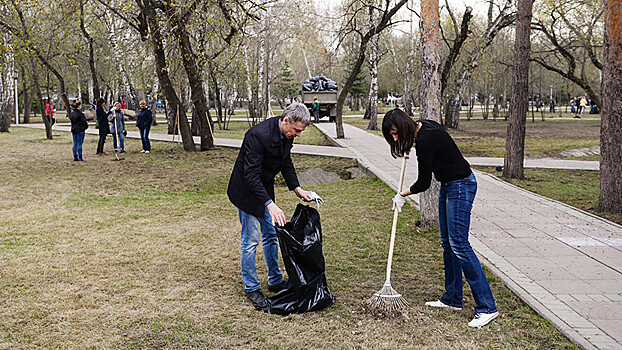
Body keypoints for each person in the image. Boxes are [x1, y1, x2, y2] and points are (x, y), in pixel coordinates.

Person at [382, 108, 499, 328]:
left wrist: (401, 195)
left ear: (404, 126)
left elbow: (424, 183)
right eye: (392, 136)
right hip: (450, 185)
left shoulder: (425, 140)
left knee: (460, 244)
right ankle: (452, 298)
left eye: (396, 133)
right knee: (449, 243)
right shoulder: (424, 127)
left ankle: (487, 307)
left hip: (461, 186)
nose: (395, 138)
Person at [227, 103, 319, 308]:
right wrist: (270, 204)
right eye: (297, 130)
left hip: (263, 187)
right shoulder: (257, 136)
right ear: (286, 121)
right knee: (250, 240)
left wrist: (297, 188)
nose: (298, 135)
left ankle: (275, 281)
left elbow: (286, 162)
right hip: (245, 191)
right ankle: (251, 287)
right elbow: (250, 175)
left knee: (271, 234)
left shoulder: (286, 136)